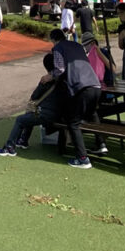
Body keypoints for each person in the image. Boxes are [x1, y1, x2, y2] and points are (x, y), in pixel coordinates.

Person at [45, 28, 104, 169]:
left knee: (73, 123)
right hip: (95, 84)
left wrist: (48, 76)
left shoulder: (58, 48)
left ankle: (83, 158)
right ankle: (101, 143)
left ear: (53, 40)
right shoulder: (77, 45)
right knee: (92, 113)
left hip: (81, 86)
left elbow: (60, 69)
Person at [0, 53, 67, 156]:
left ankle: (9, 147)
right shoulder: (65, 79)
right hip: (62, 115)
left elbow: (34, 97)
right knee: (32, 114)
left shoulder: (45, 80)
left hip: (47, 115)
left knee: (22, 118)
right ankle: (23, 140)